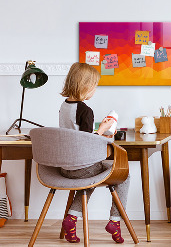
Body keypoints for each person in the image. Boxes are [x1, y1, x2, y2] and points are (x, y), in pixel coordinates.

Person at [59, 62, 129, 244]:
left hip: (65, 167)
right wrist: (103, 130)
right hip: (82, 167)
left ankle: (71, 219)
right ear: (85, 86)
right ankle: (115, 221)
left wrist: (98, 130)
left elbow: (76, 135)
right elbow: (86, 142)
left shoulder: (64, 106)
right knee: (124, 175)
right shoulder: (85, 110)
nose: (95, 90)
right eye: (95, 86)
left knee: (90, 179)